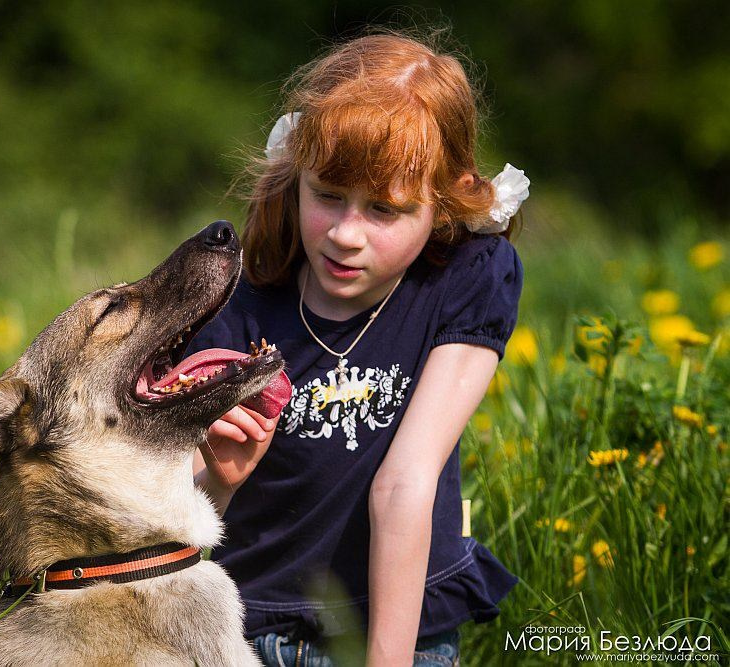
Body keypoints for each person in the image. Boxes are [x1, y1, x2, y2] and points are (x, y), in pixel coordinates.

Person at [182, 28, 528, 666]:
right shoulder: (238, 299)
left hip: (399, 635)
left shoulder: (466, 278)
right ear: (297, 176)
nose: (346, 235)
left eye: (385, 210)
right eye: (328, 196)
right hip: (245, 628)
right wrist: (221, 483)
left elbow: (404, 482)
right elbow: (172, 511)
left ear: (441, 203)